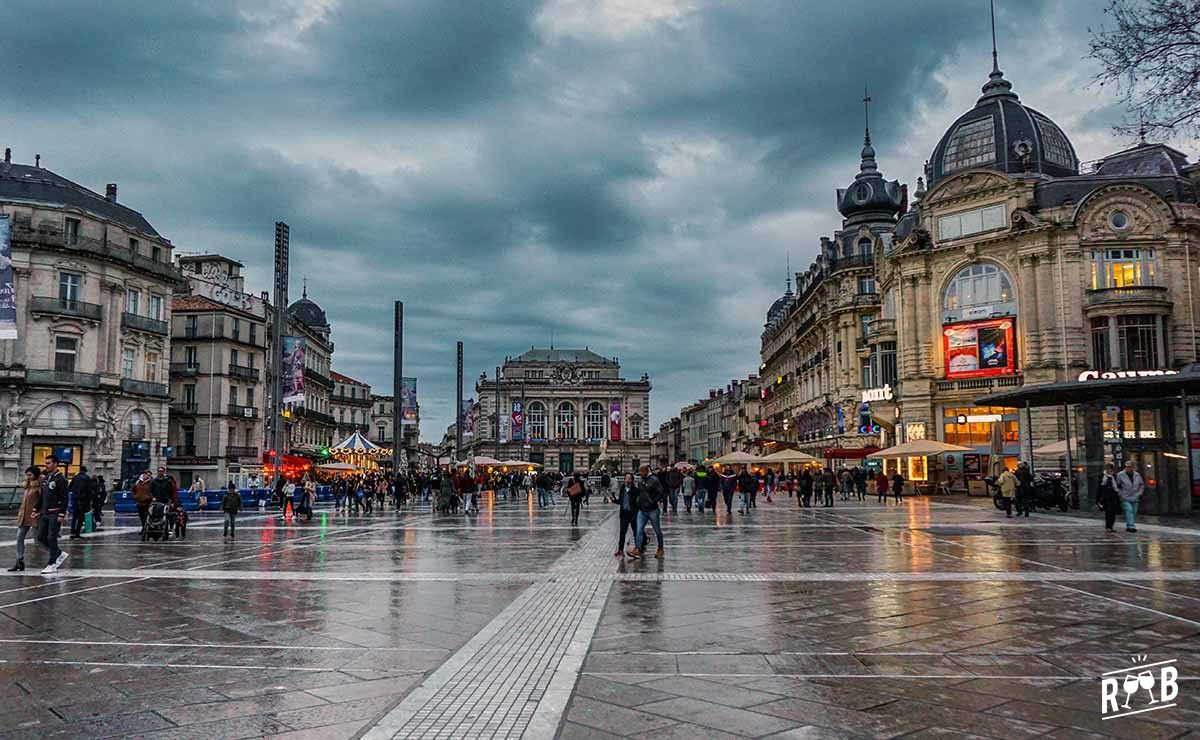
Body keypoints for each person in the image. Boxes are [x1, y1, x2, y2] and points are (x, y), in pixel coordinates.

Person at [34, 455, 69, 574]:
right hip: (45, 511)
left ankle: (52, 563)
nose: (46, 465)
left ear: (55, 464)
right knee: (40, 537)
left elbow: (64, 498)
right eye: (46, 463)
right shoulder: (46, 478)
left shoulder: (61, 479)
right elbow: (43, 495)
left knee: (51, 537)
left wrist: (62, 513)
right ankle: (58, 553)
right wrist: (36, 509)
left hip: (55, 512)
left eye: (48, 463)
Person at [7, 466, 41, 572]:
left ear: (36, 475)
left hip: (35, 516)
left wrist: (39, 512)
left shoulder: (40, 486)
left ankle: (56, 556)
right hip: (24, 516)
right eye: (27, 475)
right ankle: (19, 561)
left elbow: (43, 501)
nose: (28, 477)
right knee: (19, 537)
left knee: (39, 540)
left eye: (30, 475)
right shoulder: (27, 486)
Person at [628, 465, 665, 559]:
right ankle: (637, 548)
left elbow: (661, 492)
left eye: (641, 472)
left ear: (646, 471)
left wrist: (653, 501)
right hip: (642, 509)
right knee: (639, 530)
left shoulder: (654, 480)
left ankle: (660, 548)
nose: (640, 474)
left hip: (653, 510)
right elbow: (639, 493)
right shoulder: (641, 481)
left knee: (657, 530)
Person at [1115, 460, 1144, 533]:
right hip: (1125, 497)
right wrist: (1120, 494)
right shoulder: (1120, 475)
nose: (1127, 468)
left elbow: (1141, 485)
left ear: (1133, 467)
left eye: (1129, 467)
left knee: (1134, 511)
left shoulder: (1137, 475)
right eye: (1126, 466)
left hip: (1135, 497)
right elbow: (1117, 485)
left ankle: (1130, 524)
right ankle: (1131, 526)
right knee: (1129, 510)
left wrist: (1139, 493)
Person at [613, 473, 638, 557]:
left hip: (633, 514)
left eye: (629, 479)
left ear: (632, 480)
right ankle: (620, 550)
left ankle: (638, 548)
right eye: (626, 479)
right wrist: (614, 500)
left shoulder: (635, 490)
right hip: (624, 513)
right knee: (622, 533)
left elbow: (637, 503)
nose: (627, 480)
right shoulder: (622, 488)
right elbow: (621, 501)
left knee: (636, 532)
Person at [67, 466, 92, 539]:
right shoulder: (87, 478)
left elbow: (70, 488)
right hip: (83, 500)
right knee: (80, 518)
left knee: (74, 517)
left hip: (75, 499)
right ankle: (77, 532)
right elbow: (89, 490)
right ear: (85, 471)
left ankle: (72, 532)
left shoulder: (75, 477)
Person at [1098, 463, 1120, 532]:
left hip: (1114, 497)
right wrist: (1098, 498)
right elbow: (1099, 487)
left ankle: (1111, 526)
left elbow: (1117, 486)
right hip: (1106, 497)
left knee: (1113, 512)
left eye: (1109, 468)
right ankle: (1108, 526)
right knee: (1108, 512)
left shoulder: (1114, 476)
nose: (1108, 470)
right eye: (1107, 468)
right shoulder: (1102, 476)